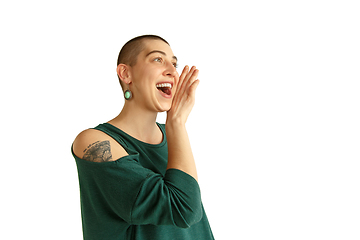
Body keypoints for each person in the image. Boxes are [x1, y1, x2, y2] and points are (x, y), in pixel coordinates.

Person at [71, 35, 214, 239]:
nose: (172, 71)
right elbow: (183, 209)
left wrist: (174, 127)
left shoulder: (172, 135)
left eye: (174, 63)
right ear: (125, 73)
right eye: (158, 59)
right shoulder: (93, 142)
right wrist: (177, 123)